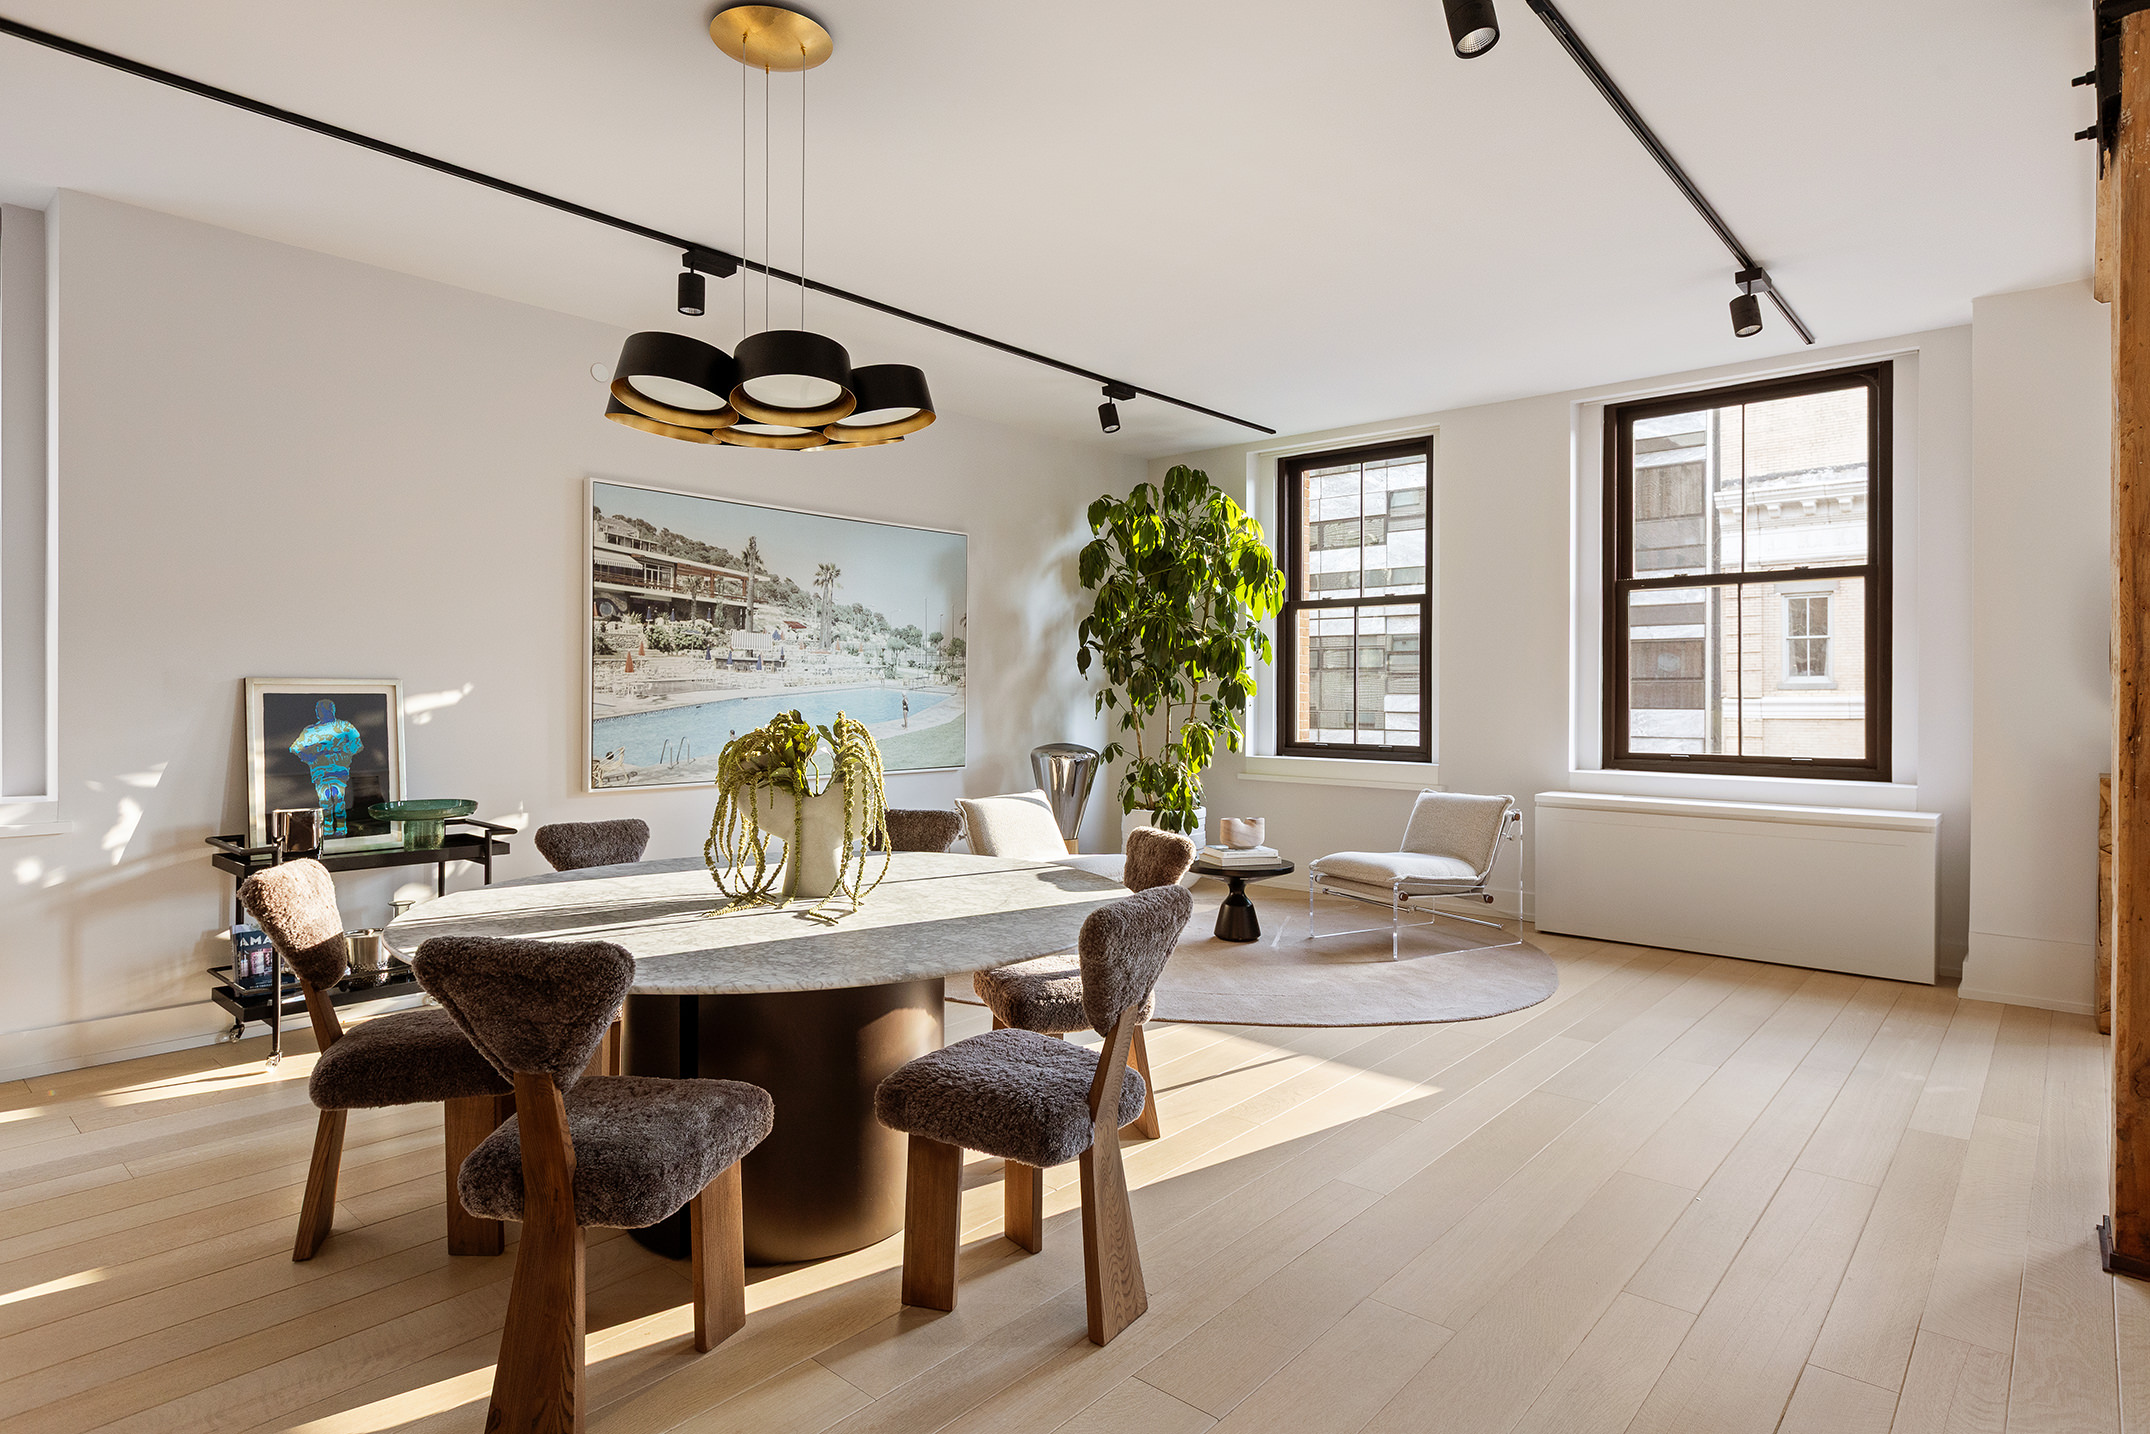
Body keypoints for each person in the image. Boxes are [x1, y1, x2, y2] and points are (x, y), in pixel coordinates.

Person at [290, 699, 364, 837]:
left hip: (339, 770)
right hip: (320, 771)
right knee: (324, 800)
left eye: (325, 709)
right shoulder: (310, 730)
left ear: (332, 710)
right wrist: (309, 756)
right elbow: (295, 748)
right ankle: (327, 829)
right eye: (320, 710)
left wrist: (340, 749)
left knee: (338, 798)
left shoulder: (344, 727)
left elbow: (358, 745)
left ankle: (341, 828)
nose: (322, 712)